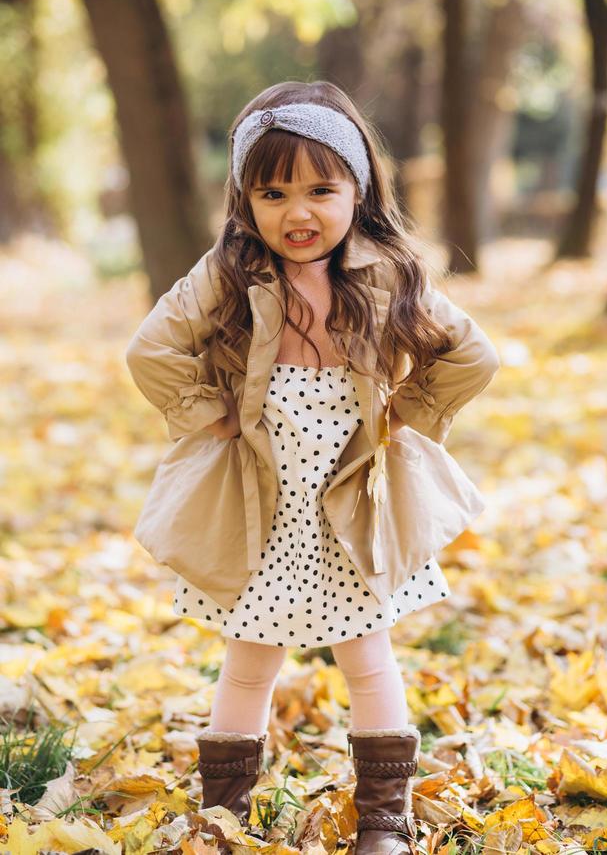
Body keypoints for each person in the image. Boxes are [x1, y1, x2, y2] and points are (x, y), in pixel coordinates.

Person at [124, 80, 501, 853]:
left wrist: (409, 417)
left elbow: (470, 354)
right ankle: (225, 812)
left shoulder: (389, 272)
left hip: (352, 493)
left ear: (358, 189)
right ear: (244, 200)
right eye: (273, 192)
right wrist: (212, 415)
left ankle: (385, 817)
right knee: (249, 653)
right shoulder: (228, 271)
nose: (298, 213)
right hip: (259, 494)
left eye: (321, 189)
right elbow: (151, 349)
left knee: (367, 653)